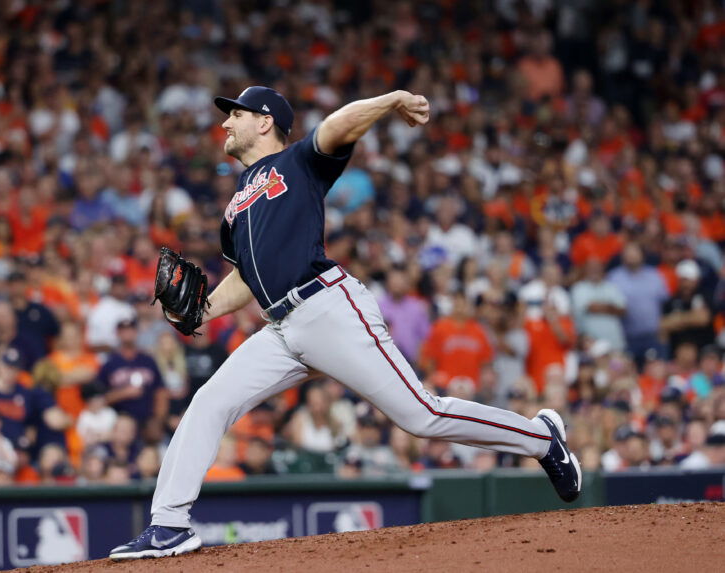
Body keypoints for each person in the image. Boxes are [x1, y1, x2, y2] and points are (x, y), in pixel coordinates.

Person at [109, 87, 580, 561]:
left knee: (421, 415)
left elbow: (337, 126)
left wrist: (393, 99)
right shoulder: (235, 205)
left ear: (265, 121)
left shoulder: (298, 162)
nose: (226, 124)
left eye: (236, 115)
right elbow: (246, 279)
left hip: (326, 308)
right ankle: (169, 524)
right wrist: (202, 309)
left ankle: (541, 439)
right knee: (209, 402)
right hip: (279, 330)